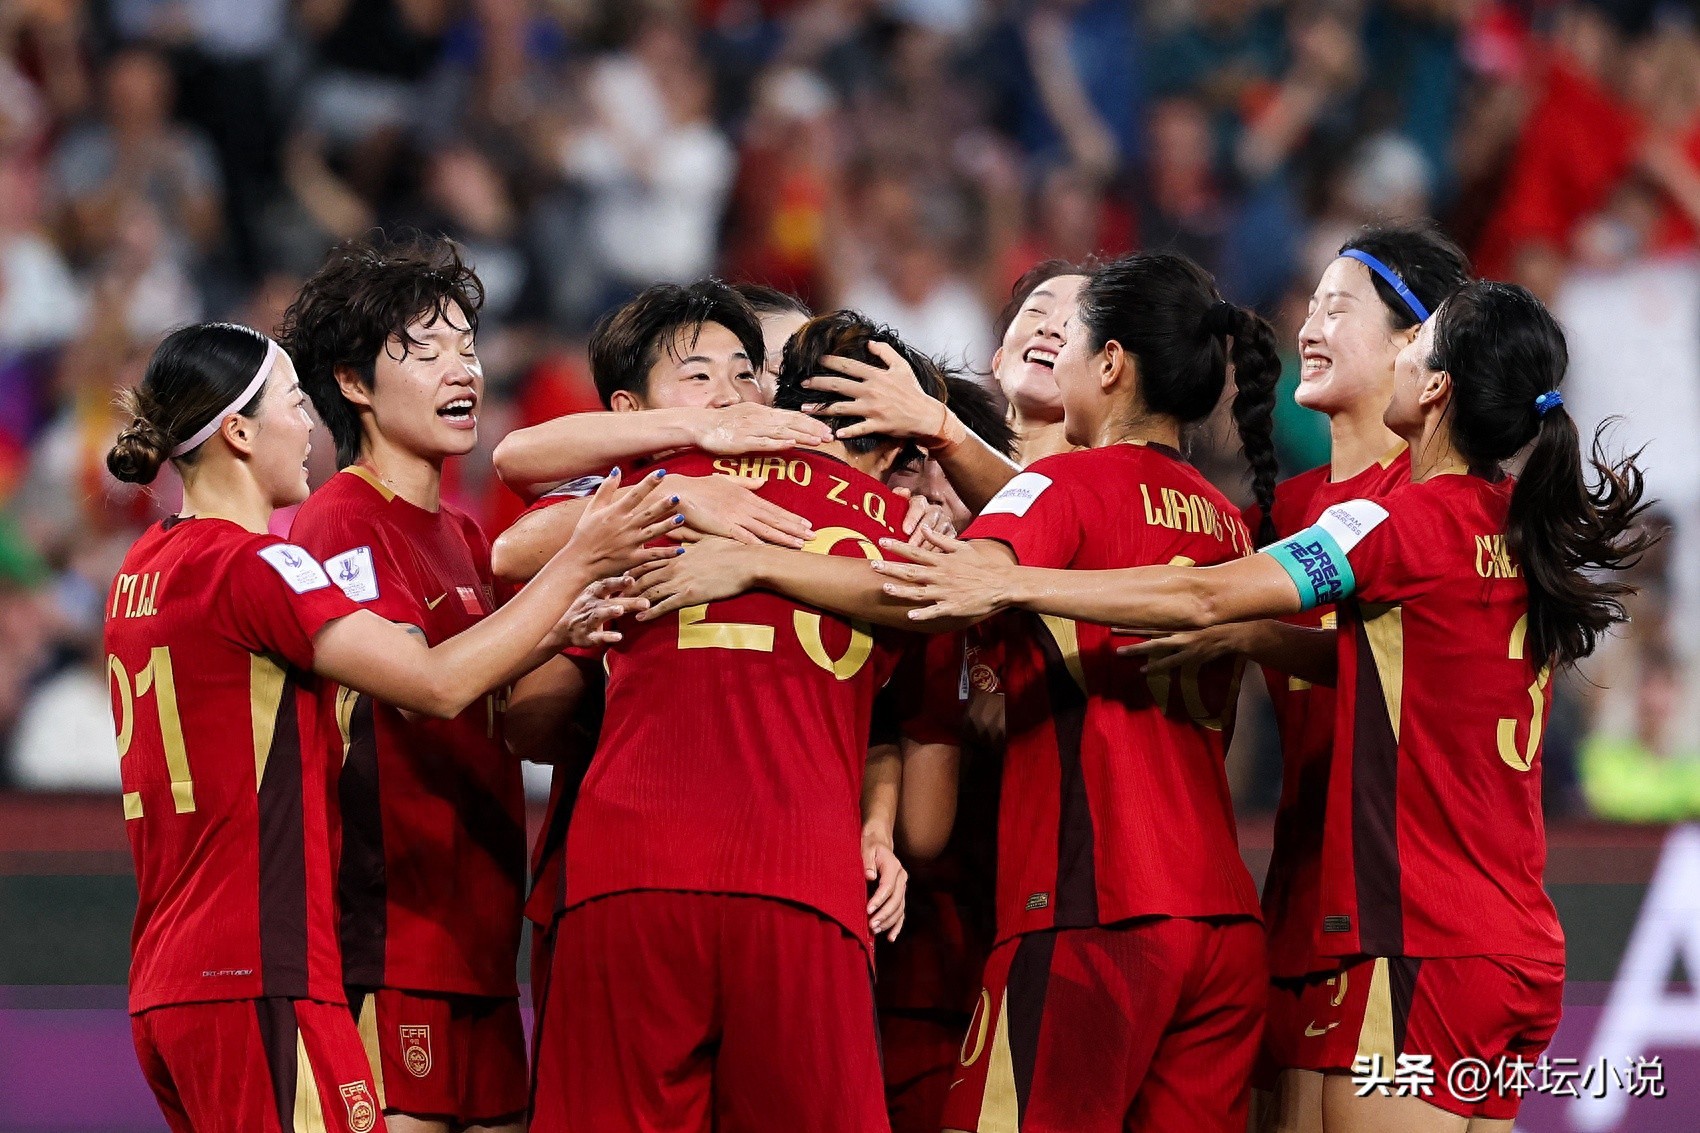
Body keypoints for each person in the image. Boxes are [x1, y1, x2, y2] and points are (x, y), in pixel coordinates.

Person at [875, 281, 1651, 1131]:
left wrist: (1016, 580)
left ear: (1435, 386)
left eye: (1417, 339)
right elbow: (1397, 670)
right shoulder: (1516, 529)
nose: (1401, 352)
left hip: (1417, 943)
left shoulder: (1388, 524)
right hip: (1516, 948)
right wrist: (1258, 645)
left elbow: (1211, 598)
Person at [632, 250, 1284, 1132]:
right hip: (1221, 918)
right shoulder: (1224, 516)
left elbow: (941, 587)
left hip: (1094, 906)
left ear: (1111, 364)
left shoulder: (1062, 484)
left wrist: (763, 553)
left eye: (1074, 335)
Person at [104, 320, 676, 1133]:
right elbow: (436, 684)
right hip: (259, 970)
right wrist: (583, 556)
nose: (309, 428)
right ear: (237, 431)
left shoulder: (144, 566)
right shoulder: (260, 564)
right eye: (294, 405)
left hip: (171, 976)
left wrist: (556, 621)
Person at [528, 310, 948, 1133]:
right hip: (803, 880)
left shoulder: (668, 481)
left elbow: (516, 538)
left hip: (626, 866)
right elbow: (909, 731)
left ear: (776, 395)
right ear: (901, 445)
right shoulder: (917, 538)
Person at [1122, 224, 1470, 1133]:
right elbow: (1123, 546)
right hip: (1292, 913)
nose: (1307, 326)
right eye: (1306, 306)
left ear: (1415, 345)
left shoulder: (1435, 513)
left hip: (1406, 922)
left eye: (1338, 306)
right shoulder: (1285, 514)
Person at [276, 234, 523, 1133]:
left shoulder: (464, 535)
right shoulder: (338, 519)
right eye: (425, 350)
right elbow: (433, 687)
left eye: (468, 346)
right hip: (390, 944)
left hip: (487, 947)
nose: (462, 369)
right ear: (351, 382)